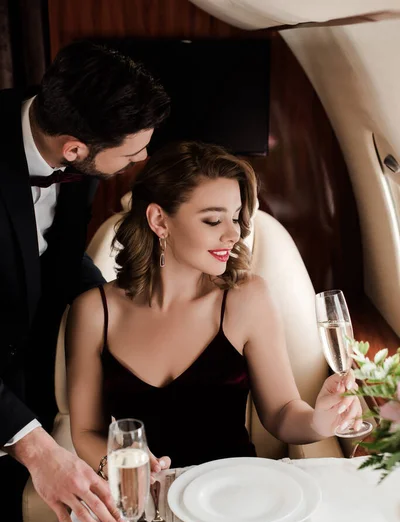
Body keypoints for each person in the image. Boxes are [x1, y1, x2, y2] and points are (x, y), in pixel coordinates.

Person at [67, 140, 362, 476]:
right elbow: (86, 431)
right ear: (159, 220)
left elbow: (281, 413)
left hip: (236, 499)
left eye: (236, 218)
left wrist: (320, 421)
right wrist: (117, 467)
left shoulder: (247, 299)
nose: (233, 234)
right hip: (144, 506)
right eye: (212, 221)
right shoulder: (94, 312)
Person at [0, 39, 170, 522]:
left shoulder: (66, 124)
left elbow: (58, 257)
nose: (141, 160)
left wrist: (114, 307)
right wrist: (37, 449)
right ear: (75, 149)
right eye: (132, 153)